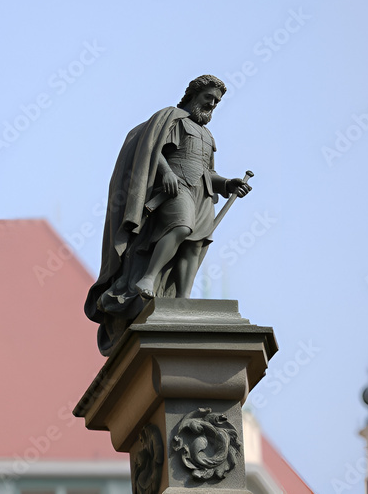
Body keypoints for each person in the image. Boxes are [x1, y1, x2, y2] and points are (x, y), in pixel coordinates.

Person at [84, 75, 251, 355]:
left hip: (202, 193)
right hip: (174, 187)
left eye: (216, 102)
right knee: (181, 227)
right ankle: (147, 278)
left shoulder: (208, 136)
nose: (211, 104)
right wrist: (166, 172)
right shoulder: (173, 118)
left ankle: (182, 301)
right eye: (208, 98)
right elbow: (150, 150)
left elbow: (208, 171)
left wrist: (228, 184)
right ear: (193, 95)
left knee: (193, 246)